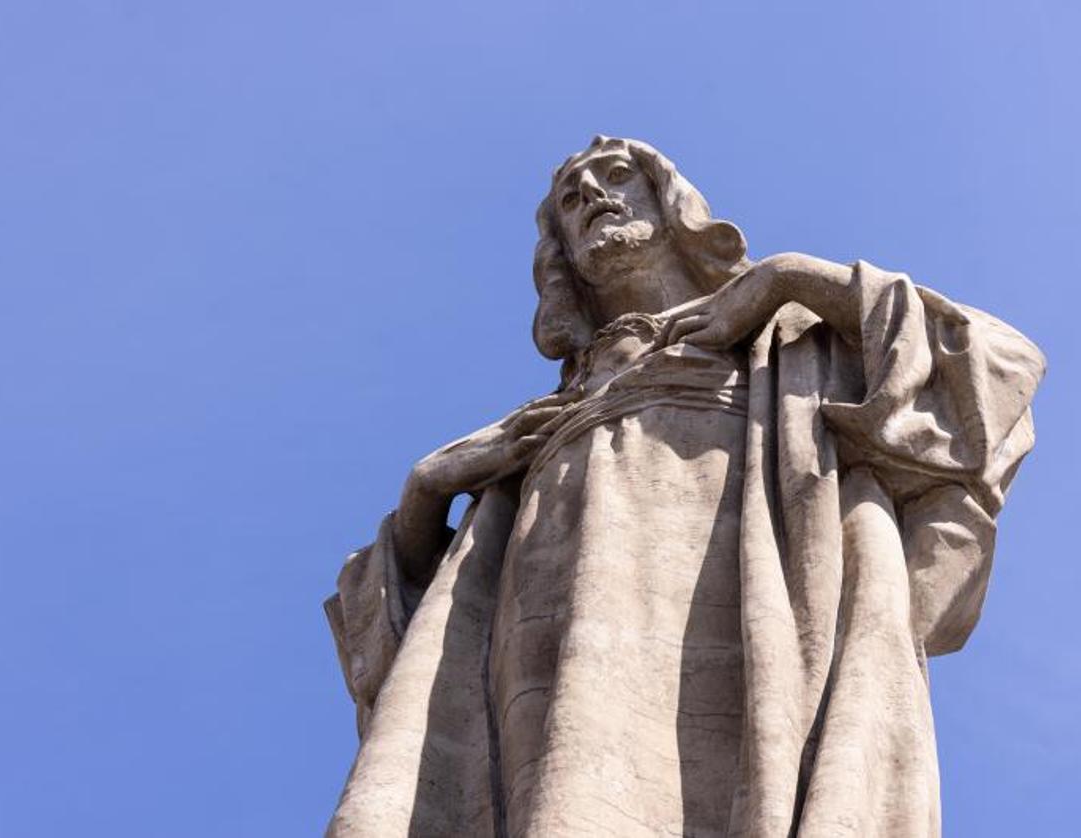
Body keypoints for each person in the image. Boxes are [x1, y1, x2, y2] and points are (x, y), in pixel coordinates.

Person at [325, 136, 1044, 837]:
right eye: (571, 200)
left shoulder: (785, 338)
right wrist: (428, 489)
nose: (592, 199)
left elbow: (993, 366)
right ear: (560, 258)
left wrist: (785, 278)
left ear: (673, 203)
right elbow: (405, 659)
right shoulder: (529, 428)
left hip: (750, 609)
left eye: (615, 176)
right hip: (549, 651)